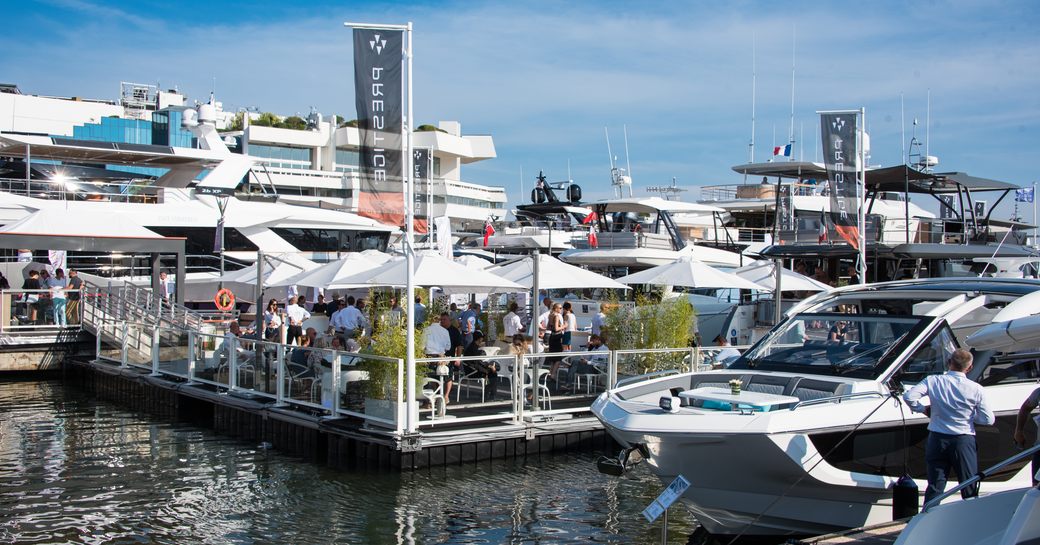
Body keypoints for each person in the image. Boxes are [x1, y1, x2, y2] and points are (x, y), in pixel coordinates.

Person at [903, 348, 995, 505]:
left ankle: (927, 520)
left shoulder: (933, 381)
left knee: (935, 485)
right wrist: (970, 417)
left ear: (949, 362)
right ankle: (970, 518)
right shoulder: (976, 388)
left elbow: (909, 396)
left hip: (937, 438)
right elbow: (988, 420)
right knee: (968, 484)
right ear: (969, 367)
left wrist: (923, 409)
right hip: (963, 440)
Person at [1013, 386, 1040, 484]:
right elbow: (1025, 409)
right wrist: (1019, 430)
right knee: (1037, 489)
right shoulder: (1038, 392)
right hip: (1039, 449)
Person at [463, 331, 498, 400]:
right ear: (479, 339)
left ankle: (488, 395)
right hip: (472, 371)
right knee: (493, 373)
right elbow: (477, 362)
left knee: (492, 372)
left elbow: (477, 362)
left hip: (471, 369)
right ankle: (488, 395)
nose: (482, 340)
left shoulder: (472, 346)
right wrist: (489, 367)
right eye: (482, 338)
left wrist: (488, 367)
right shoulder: (473, 348)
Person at [546, 303, 566, 382]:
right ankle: (553, 375)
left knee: (552, 358)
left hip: (552, 337)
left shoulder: (550, 315)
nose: (561, 310)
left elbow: (548, 327)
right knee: (558, 358)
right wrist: (564, 326)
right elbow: (556, 328)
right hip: (557, 337)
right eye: (560, 308)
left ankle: (550, 373)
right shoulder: (556, 316)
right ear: (556, 308)